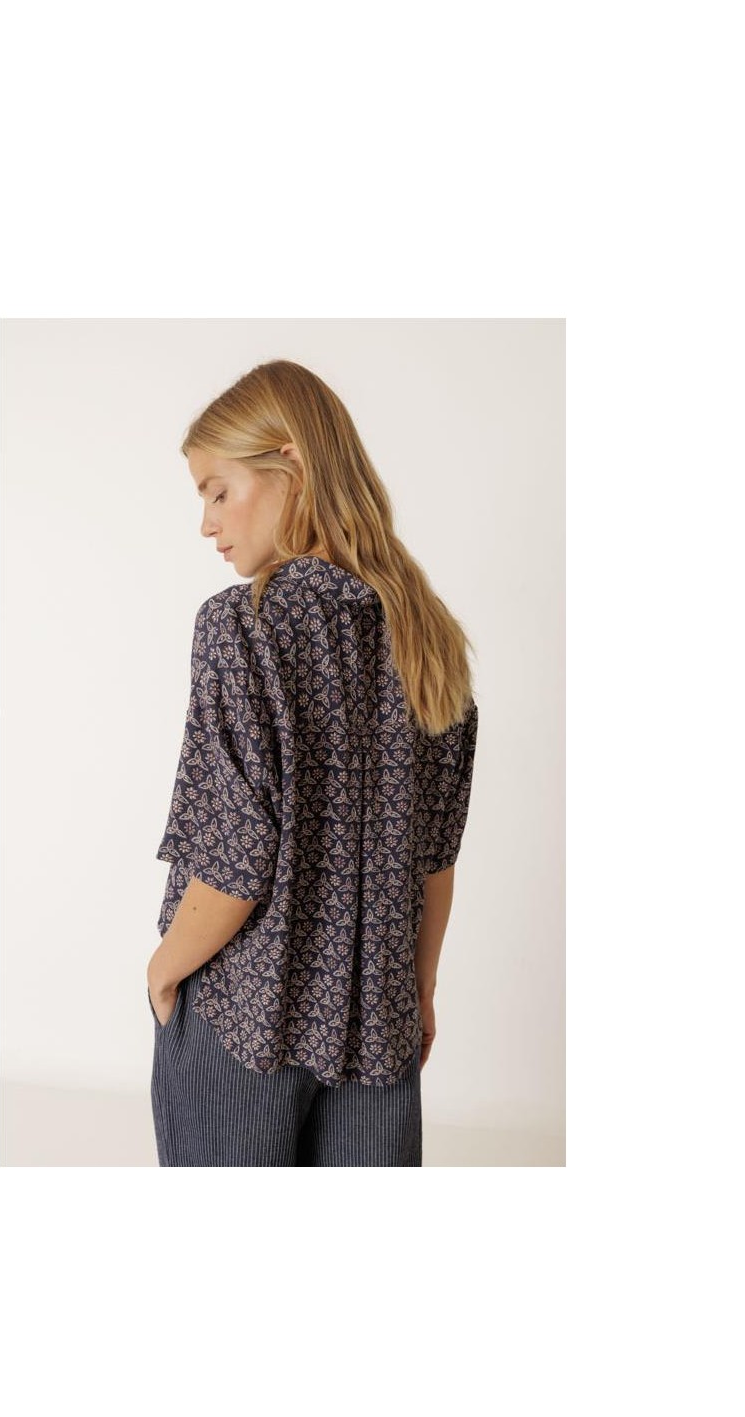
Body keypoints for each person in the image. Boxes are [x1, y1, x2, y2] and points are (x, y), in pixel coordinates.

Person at [146, 359, 479, 1166]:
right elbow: (436, 857)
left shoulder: (243, 626)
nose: (207, 524)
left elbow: (235, 862)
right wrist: (418, 990)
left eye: (218, 491)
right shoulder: (427, 635)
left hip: (242, 1018)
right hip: (379, 1025)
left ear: (289, 463)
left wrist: (163, 971)